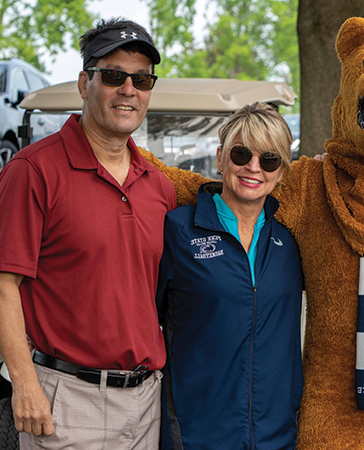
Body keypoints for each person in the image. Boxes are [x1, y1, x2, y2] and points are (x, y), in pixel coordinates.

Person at [0, 18, 175, 449]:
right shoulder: (32, 171)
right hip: (64, 402)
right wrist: (24, 383)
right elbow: (4, 286)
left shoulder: (158, 185)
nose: (129, 89)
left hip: (146, 401)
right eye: (114, 76)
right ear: (84, 83)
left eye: (141, 79)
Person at [157, 102, 303, 449]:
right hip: (196, 433)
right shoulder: (178, 230)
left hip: (276, 435)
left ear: (281, 171)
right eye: (241, 154)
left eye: (269, 159)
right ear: (221, 157)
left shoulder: (292, 239)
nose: (253, 167)